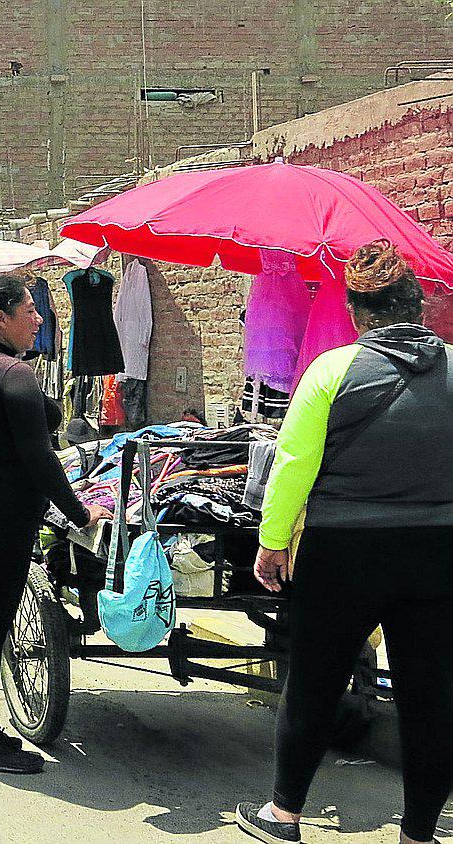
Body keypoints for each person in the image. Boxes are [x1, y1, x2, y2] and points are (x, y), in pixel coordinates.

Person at [235, 241, 453, 844]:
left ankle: (283, 817)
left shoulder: (332, 370)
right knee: (431, 695)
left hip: (342, 552)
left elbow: (293, 463)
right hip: (437, 551)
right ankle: (418, 833)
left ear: (358, 313)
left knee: (313, 680)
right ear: (419, 305)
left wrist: (273, 541)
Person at [0, 273, 108, 775]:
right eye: (28, 310)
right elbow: (40, 458)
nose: (38, 319)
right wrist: (79, 514)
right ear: (0, 319)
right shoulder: (13, 373)